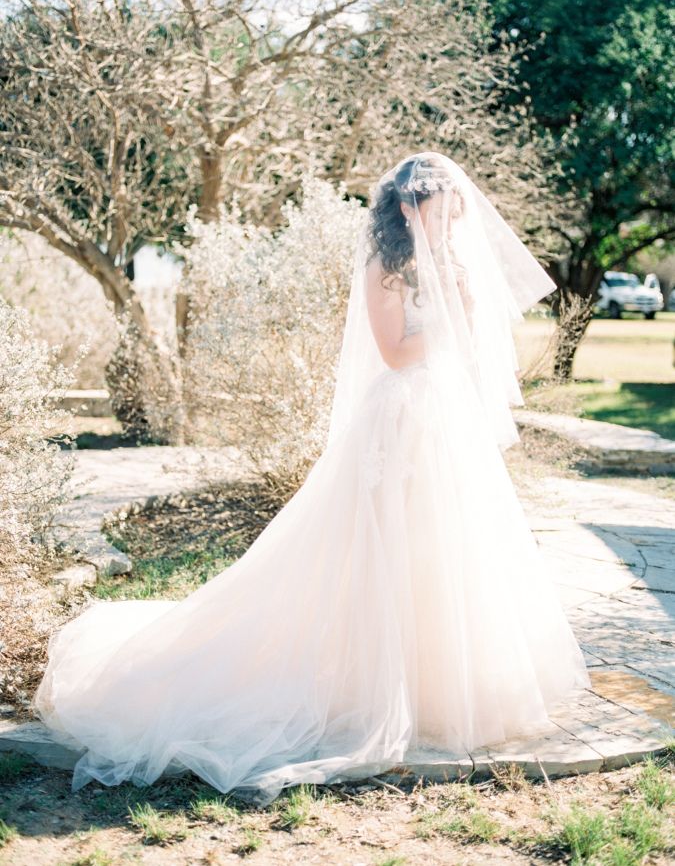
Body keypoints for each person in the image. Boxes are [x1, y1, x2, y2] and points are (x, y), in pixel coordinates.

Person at [31, 151, 590, 805]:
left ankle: (442, 687)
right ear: (410, 208)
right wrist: (450, 314)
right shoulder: (385, 268)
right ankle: (365, 687)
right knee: (383, 554)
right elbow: (396, 351)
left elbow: (472, 353)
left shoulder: (454, 267)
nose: (449, 223)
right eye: (441, 211)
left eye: (455, 213)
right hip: (400, 419)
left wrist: (462, 305)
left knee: (450, 552)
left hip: (446, 420)